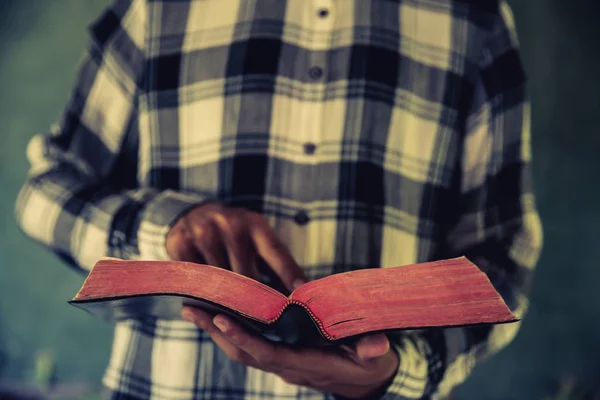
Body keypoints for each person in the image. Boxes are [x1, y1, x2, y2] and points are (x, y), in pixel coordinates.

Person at [15, 0, 543, 398]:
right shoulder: (159, 6)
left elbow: (502, 257)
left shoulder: (474, 19)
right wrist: (167, 227)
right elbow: (44, 192)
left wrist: (403, 368)